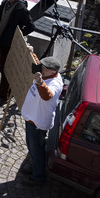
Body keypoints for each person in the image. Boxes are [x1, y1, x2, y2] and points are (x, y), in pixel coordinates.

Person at [21, 56, 64, 186]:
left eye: (44, 68)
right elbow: (35, 61)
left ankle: (38, 177)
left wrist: (40, 82)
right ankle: (35, 167)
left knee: (37, 150)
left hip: (37, 122)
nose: (41, 69)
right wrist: (30, 52)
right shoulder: (48, 74)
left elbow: (47, 96)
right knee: (32, 146)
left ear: (52, 71)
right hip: (32, 118)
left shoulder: (55, 83)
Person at [0, 0, 36, 102]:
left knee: (7, 68)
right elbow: (0, 20)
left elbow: (31, 27)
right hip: (2, 40)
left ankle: (3, 95)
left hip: (10, 44)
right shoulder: (5, 2)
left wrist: (17, 36)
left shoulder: (21, 8)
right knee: (3, 67)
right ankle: (7, 90)